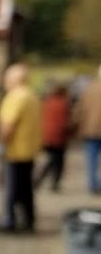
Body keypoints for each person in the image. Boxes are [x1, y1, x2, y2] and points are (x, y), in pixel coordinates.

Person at [0, 64, 41, 233]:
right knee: (26, 189)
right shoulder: (32, 96)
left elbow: (8, 125)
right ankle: (29, 220)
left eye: (7, 78)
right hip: (29, 150)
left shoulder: (15, 97)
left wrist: (2, 144)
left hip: (15, 151)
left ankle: (9, 220)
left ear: (14, 80)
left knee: (11, 189)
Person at [35, 82, 72, 192]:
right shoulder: (63, 103)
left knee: (50, 160)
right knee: (58, 161)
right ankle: (54, 182)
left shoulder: (46, 102)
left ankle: (40, 179)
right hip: (59, 137)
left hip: (46, 135)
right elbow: (66, 121)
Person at [77, 66, 101, 194]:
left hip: (90, 129)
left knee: (91, 159)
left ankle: (92, 184)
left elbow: (81, 110)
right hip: (93, 129)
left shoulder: (89, 88)